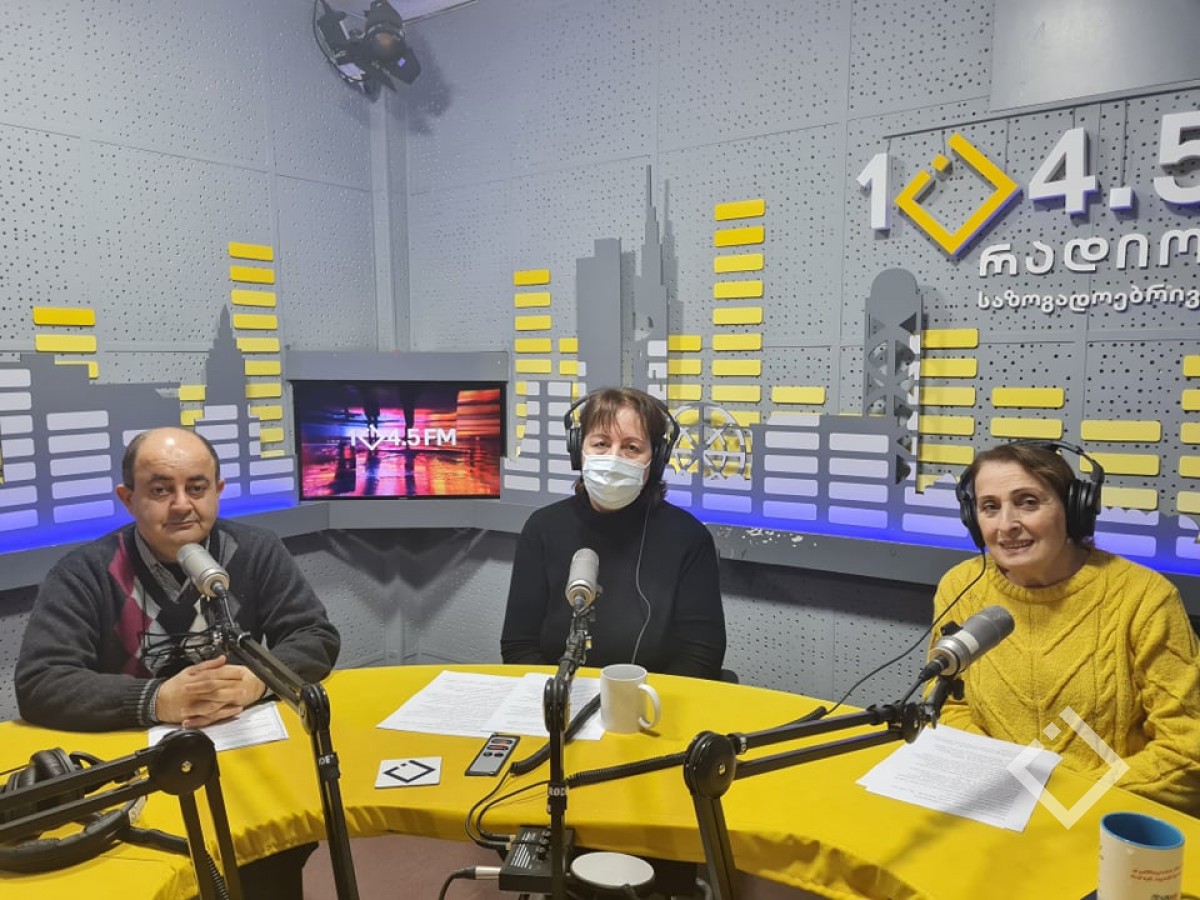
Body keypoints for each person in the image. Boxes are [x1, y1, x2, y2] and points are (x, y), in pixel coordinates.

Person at [15, 426, 341, 897]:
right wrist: (157, 699)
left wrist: (257, 679)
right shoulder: (84, 573)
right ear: (128, 498)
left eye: (197, 487)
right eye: (161, 490)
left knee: (269, 871)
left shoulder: (256, 551)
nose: (182, 504)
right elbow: (41, 681)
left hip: (246, 764)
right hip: (144, 782)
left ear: (218, 491)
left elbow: (315, 636)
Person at [937, 441, 1200, 815]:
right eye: (990, 507)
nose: (1007, 525)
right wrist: (1004, 789)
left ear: (1075, 510)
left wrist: (1063, 802)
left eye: (1028, 502)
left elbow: (1186, 752)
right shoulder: (961, 587)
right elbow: (948, 706)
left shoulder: (1144, 597)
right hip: (995, 811)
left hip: (1105, 818)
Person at [501, 386, 726, 679]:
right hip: (559, 698)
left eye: (631, 447)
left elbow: (701, 657)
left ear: (656, 460)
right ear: (578, 450)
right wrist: (558, 698)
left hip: (649, 701)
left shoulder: (688, 538)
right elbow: (519, 646)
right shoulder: (542, 528)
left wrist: (638, 700)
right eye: (601, 443)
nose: (614, 458)